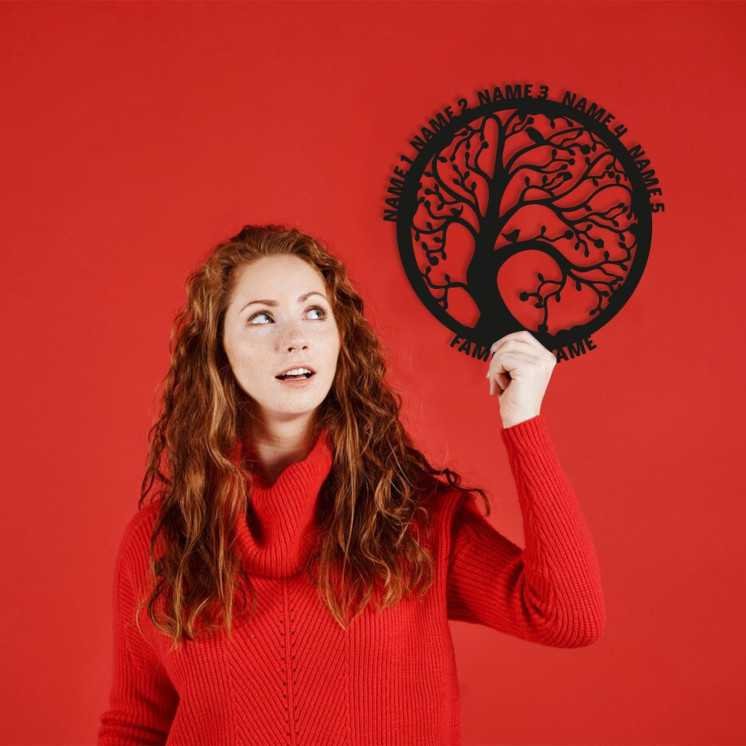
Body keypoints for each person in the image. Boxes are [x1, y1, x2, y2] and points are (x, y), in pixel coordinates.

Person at [97, 223, 606, 746]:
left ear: (340, 338)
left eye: (314, 312)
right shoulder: (162, 541)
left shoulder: (411, 518)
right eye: (262, 317)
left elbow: (566, 617)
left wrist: (523, 421)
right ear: (218, 351)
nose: (295, 337)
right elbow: (136, 725)